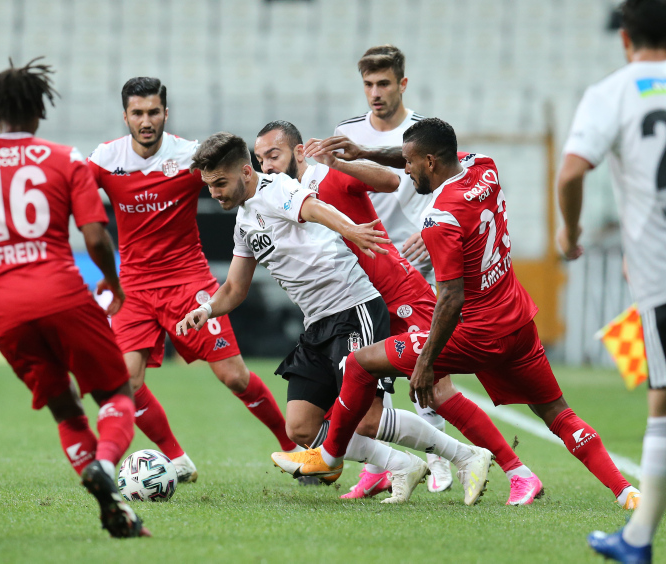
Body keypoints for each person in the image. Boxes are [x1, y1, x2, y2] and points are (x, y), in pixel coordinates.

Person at [273, 118, 640, 512]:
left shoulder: (440, 218)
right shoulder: (484, 166)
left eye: (411, 163)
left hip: (476, 334)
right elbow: (415, 157)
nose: (406, 170)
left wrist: (426, 363)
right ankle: (626, 492)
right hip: (518, 321)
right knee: (558, 413)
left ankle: (331, 457)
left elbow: (450, 298)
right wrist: (366, 152)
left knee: (360, 364)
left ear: (431, 162)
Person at [177, 132, 493, 505]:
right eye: (209, 185)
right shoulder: (244, 222)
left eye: (220, 183)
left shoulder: (275, 188)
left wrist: (350, 230)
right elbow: (234, 288)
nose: (214, 193)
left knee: (369, 420)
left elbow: (313, 208)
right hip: (317, 324)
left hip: (353, 308)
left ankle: (466, 455)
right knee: (301, 426)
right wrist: (206, 309)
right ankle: (401, 464)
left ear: (246, 172)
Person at [0, 59, 148, 538]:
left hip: (3, 308)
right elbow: (95, 235)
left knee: (65, 408)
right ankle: (106, 466)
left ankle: (112, 508)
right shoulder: (65, 159)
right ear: (40, 110)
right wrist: (113, 281)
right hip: (63, 295)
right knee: (115, 394)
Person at [302, 128, 548, 505]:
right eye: (263, 159)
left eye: (274, 155)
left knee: (435, 390)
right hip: (364, 300)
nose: (268, 164)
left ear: (298, 151)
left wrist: (348, 158)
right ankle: (378, 471)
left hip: (400, 290)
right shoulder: (285, 196)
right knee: (365, 390)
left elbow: (389, 180)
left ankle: (512, 470)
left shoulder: (328, 176)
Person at [87, 77, 297, 483]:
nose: (146, 121)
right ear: (125, 117)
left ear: (165, 113)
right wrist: (107, 274)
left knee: (234, 376)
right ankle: (176, 458)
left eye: (153, 112)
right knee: (125, 381)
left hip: (188, 282)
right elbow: (75, 199)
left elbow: (239, 181)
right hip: (133, 288)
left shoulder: (188, 157)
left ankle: (292, 447)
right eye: (137, 113)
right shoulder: (105, 159)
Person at [556, 1, 666, 561]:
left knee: (662, 400)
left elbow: (572, 171)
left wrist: (570, 231)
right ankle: (638, 538)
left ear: (625, 38)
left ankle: (639, 542)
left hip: (661, 271)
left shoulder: (613, 92)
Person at [333, 44, 453, 488]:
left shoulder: (423, 132)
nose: (375, 93)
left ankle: (441, 455)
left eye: (383, 83)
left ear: (402, 84)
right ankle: (379, 470)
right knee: (372, 370)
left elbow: (448, 186)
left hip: (416, 263)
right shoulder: (346, 132)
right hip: (366, 270)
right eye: (368, 84)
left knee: (424, 362)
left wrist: (431, 232)